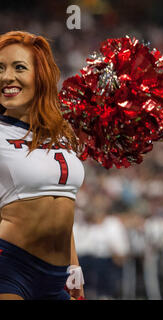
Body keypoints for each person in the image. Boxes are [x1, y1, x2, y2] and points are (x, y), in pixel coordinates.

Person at [0, 31, 85, 300]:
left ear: (41, 75)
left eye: (19, 67)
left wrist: (74, 266)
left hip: (57, 276)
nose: (6, 77)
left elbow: (62, 204)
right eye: (0, 69)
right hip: (9, 269)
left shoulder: (62, 133)